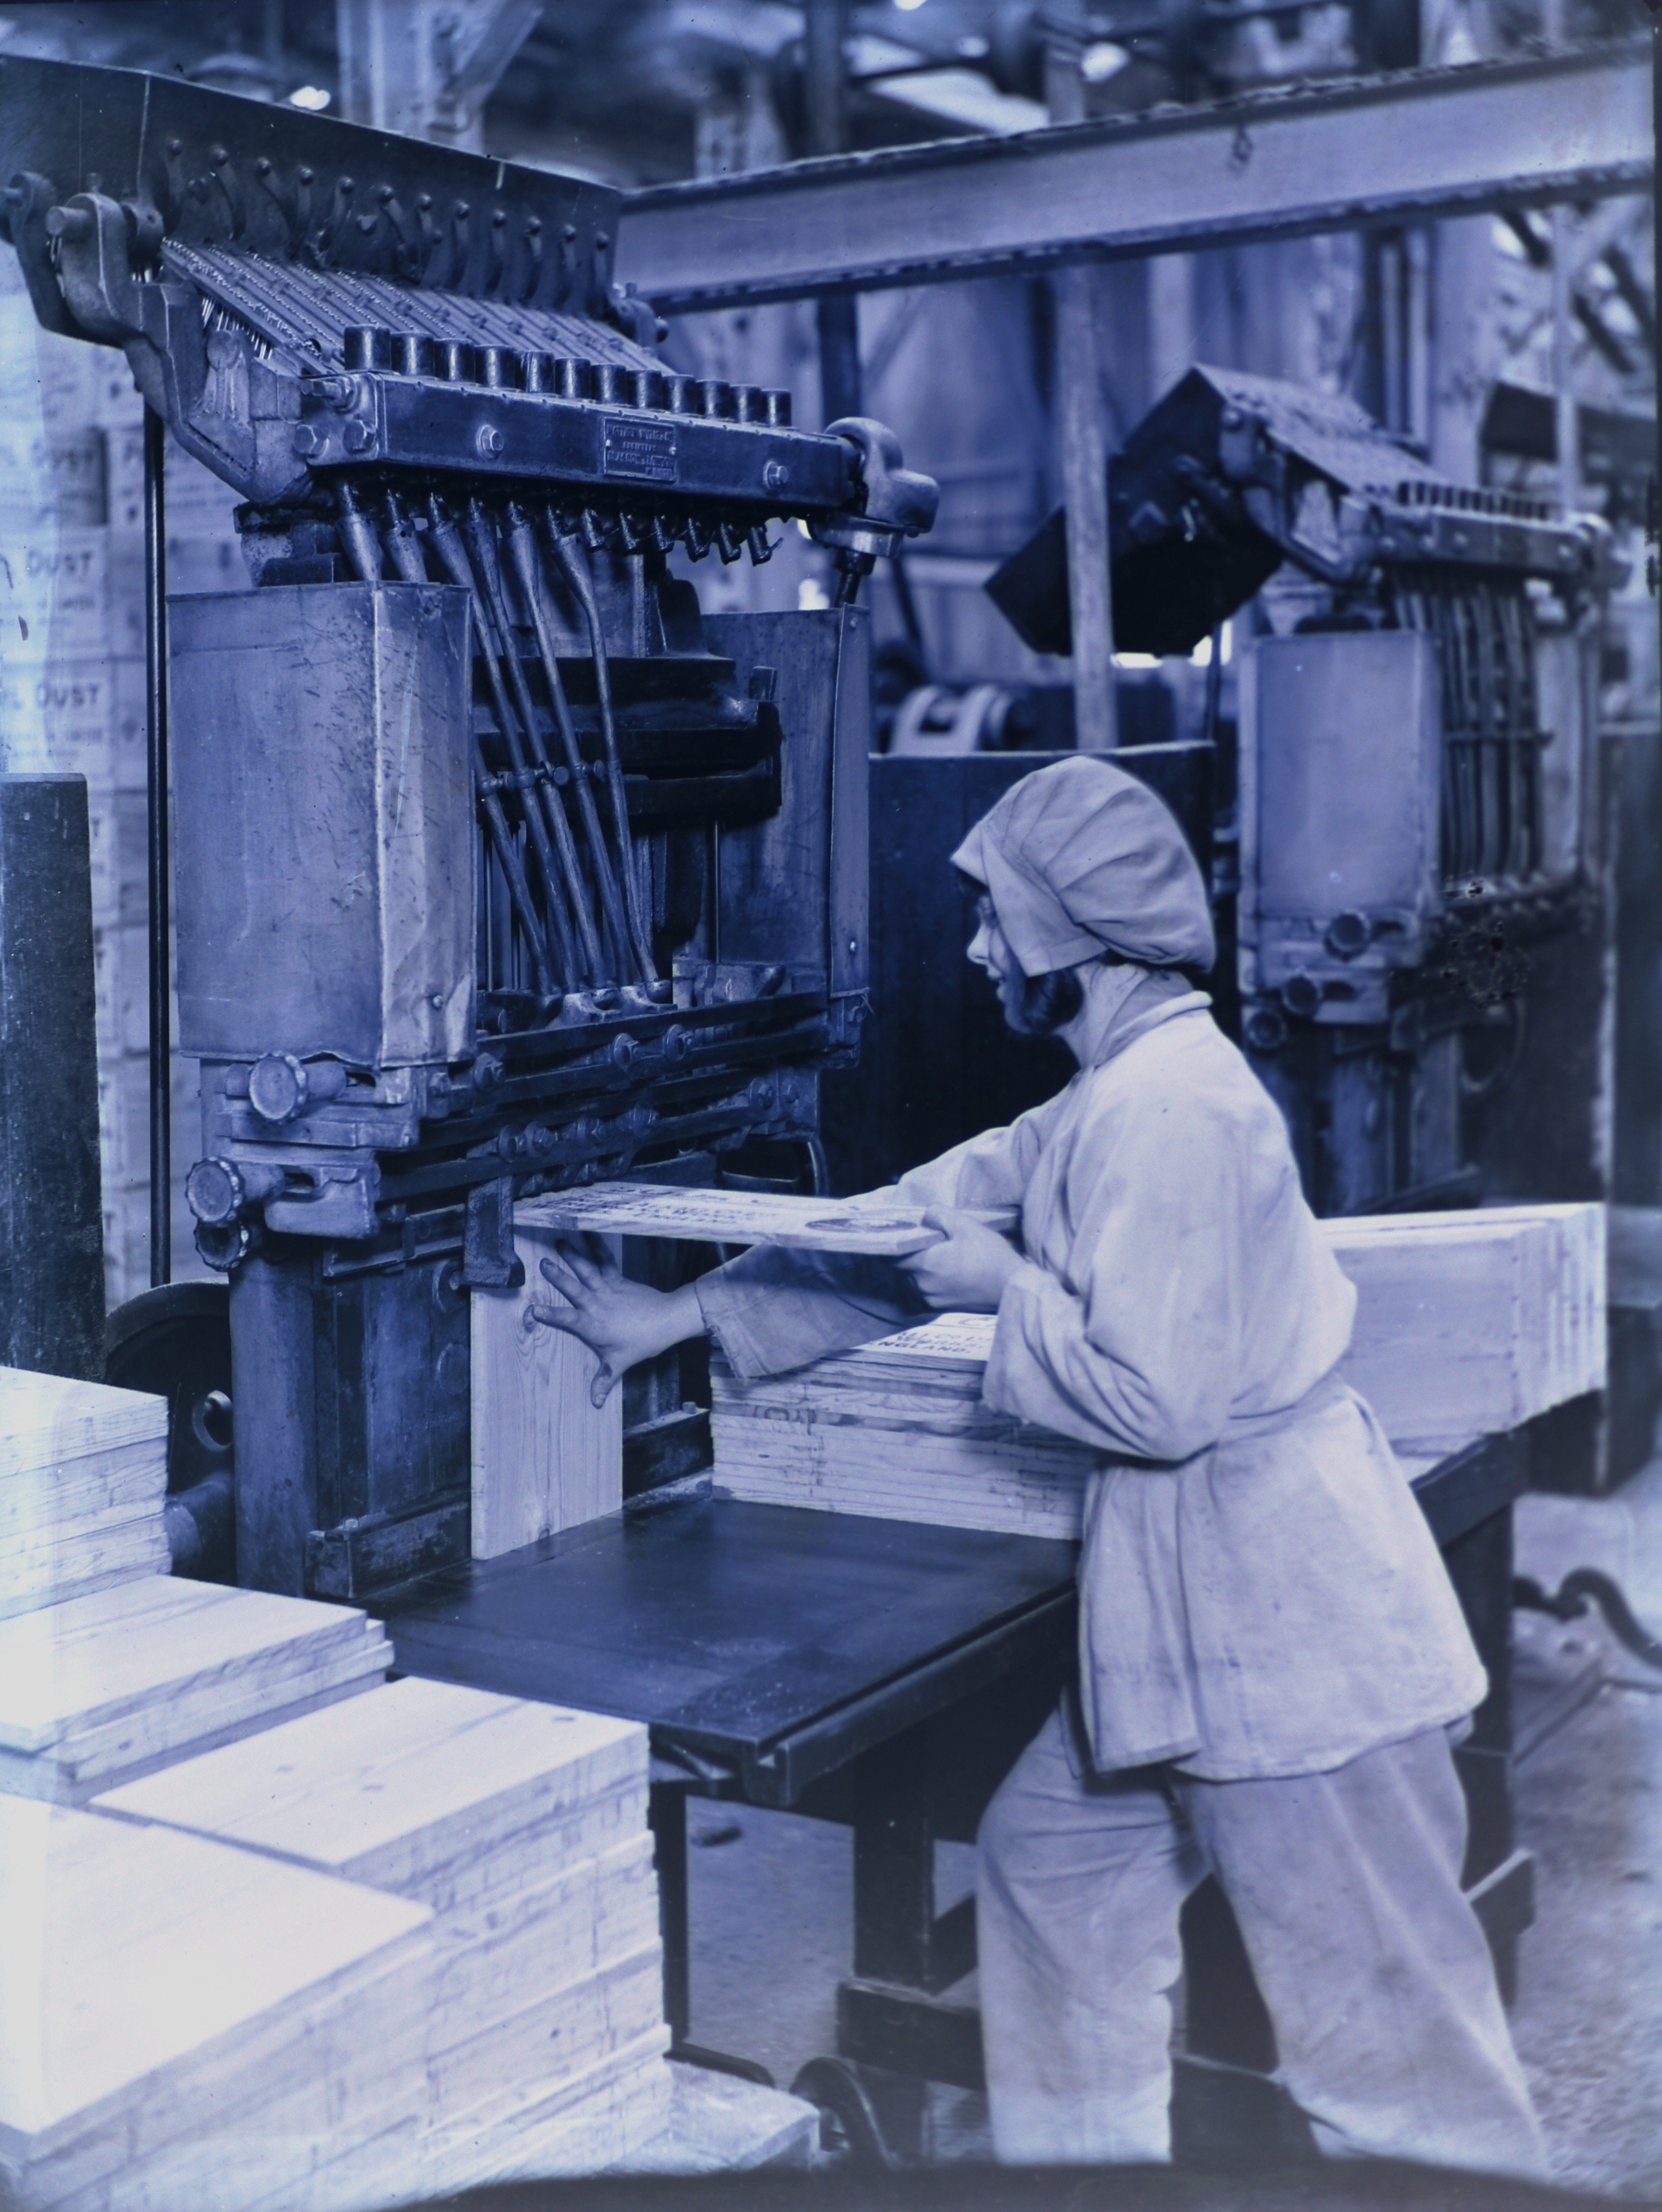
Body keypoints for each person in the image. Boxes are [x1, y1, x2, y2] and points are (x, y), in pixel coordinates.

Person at [530, 755, 1546, 2177]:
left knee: (1394, 2057)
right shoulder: (1104, 1097)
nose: (978, 948)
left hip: (1288, 1632)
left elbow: (1159, 1398)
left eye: (999, 917)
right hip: (1176, 1618)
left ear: (1075, 932)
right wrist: (673, 1315)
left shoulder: (1175, 1112)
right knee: (1051, 1879)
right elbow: (921, 1220)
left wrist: (999, 1287)